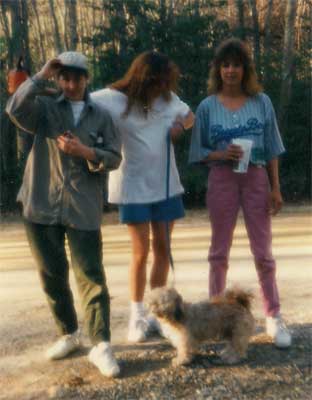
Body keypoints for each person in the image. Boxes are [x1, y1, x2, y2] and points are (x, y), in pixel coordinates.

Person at [6, 51, 122, 377]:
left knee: (91, 277)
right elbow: (13, 109)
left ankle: (101, 344)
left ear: (87, 79)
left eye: (77, 78)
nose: (71, 84)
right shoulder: (43, 108)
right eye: (64, 78)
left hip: (82, 207)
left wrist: (85, 151)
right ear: (58, 78)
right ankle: (69, 333)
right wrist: (40, 75)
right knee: (51, 274)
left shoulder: (101, 116)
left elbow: (114, 158)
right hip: (40, 203)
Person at [189, 38, 291, 348]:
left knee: (263, 252)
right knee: (219, 253)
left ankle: (273, 316)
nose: (230, 70)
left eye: (236, 64)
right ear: (218, 69)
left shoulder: (262, 102)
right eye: (225, 64)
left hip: (256, 178)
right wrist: (222, 155)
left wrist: (276, 188)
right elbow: (197, 151)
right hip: (221, 180)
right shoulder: (207, 107)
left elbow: (273, 147)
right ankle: (214, 317)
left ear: (245, 69)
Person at [92, 51, 194, 343]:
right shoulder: (111, 99)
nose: (162, 88)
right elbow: (80, 104)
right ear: (141, 79)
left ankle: (157, 315)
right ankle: (136, 316)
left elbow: (190, 117)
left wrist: (179, 126)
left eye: (166, 82)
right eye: (156, 83)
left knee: (163, 249)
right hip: (132, 187)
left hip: (166, 186)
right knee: (141, 252)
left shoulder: (167, 98)